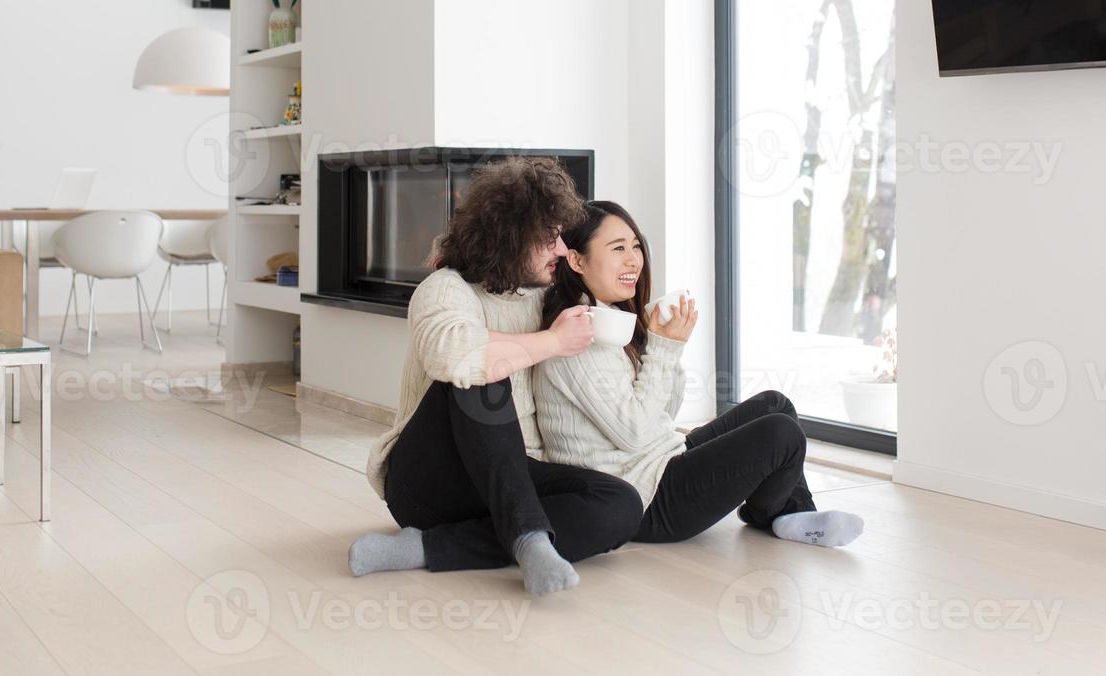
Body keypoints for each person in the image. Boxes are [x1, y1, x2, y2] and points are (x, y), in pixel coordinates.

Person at [349, 159, 644, 596]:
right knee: (483, 369)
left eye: (563, 238)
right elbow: (457, 356)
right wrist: (553, 342)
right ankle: (528, 539)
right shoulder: (446, 289)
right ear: (511, 237)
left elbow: (598, 283)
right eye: (550, 238)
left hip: (508, 482)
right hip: (427, 483)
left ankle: (431, 549)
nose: (562, 250)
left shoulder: (545, 294)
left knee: (620, 503)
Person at [534, 200, 865, 547]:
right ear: (576, 260)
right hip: (645, 496)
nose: (634, 259)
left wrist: (665, 346)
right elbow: (633, 433)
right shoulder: (577, 336)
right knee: (781, 434)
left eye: (636, 246)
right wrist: (665, 348)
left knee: (774, 405)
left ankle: (793, 513)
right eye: (618, 248)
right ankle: (773, 514)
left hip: (662, 458)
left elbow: (663, 414)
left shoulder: (610, 318)